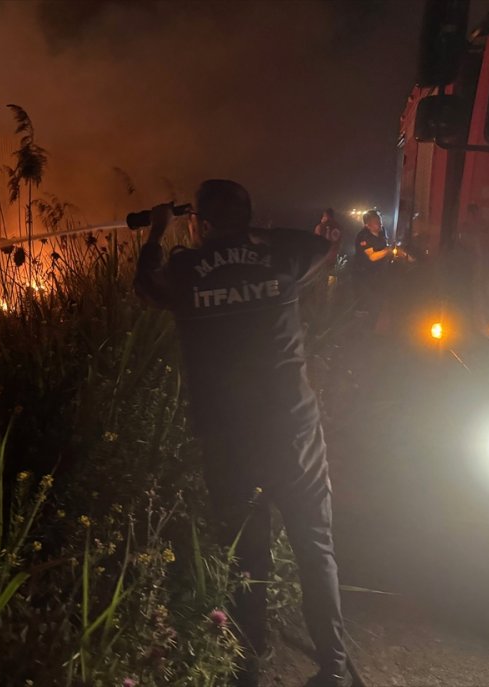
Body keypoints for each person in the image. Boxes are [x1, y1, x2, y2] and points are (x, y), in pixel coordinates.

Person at [134, 180, 357, 687]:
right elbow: (320, 246)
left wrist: (158, 231)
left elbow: (146, 286)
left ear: (200, 223)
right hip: (293, 428)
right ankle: (333, 665)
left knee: (246, 551)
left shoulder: (187, 270)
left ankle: (246, 665)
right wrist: (250, 237)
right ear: (247, 217)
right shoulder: (280, 258)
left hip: (229, 436)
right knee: (314, 545)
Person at [351, 210, 393, 325]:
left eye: (380, 221)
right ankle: (360, 327)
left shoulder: (382, 232)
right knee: (364, 303)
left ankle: (375, 323)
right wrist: (387, 251)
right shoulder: (363, 236)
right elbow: (372, 257)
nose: (380, 224)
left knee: (378, 302)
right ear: (367, 224)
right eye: (376, 222)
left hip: (379, 275)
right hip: (364, 275)